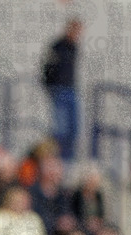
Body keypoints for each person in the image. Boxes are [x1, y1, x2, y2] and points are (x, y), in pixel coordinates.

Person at [41, 18, 82, 161]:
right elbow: (47, 67)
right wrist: (49, 86)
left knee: (74, 128)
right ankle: (58, 159)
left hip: (71, 89)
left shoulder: (74, 47)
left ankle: (68, 159)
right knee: (60, 128)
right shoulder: (58, 46)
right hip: (58, 90)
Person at [29, 156, 69, 235]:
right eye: (52, 170)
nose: (56, 173)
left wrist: (67, 221)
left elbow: (67, 214)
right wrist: (57, 223)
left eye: (58, 169)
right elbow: (35, 218)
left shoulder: (63, 193)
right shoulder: (32, 192)